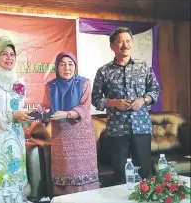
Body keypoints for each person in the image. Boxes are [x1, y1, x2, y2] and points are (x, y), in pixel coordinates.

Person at [91, 27, 160, 185]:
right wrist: (115, 102)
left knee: (144, 171)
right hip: (117, 129)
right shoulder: (104, 71)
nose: (125, 44)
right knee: (120, 174)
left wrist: (143, 100)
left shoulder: (143, 67)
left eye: (128, 41)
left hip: (141, 127)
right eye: (121, 41)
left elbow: (155, 90)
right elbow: (95, 99)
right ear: (112, 46)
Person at [0, 36, 33, 203]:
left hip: (15, 137)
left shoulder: (19, 81)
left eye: (12, 54)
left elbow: (19, 109)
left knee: (14, 178)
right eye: (4, 54)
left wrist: (30, 115)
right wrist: (11, 116)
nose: (9, 58)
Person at [39, 51, 99, 195]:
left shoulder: (84, 82)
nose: (67, 68)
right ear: (57, 67)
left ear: (75, 66)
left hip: (82, 136)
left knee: (84, 176)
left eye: (70, 64)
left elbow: (85, 107)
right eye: (62, 64)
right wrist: (42, 112)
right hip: (61, 137)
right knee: (64, 173)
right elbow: (47, 109)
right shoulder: (50, 86)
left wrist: (66, 114)